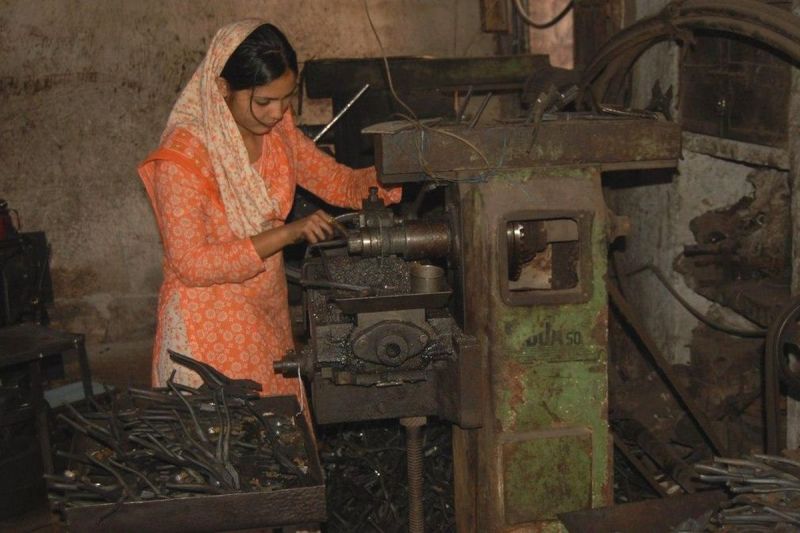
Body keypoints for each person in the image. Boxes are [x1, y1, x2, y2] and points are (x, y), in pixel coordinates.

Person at [138, 20, 401, 397]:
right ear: (223, 88)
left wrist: (397, 175)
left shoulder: (278, 132)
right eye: (263, 101)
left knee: (279, 421)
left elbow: (336, 181)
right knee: (229, 428)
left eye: (286, 97)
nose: (277, 112)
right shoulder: (183, 159)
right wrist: (287, 233)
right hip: (206, 328)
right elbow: (192, 265)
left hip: (265, 312)